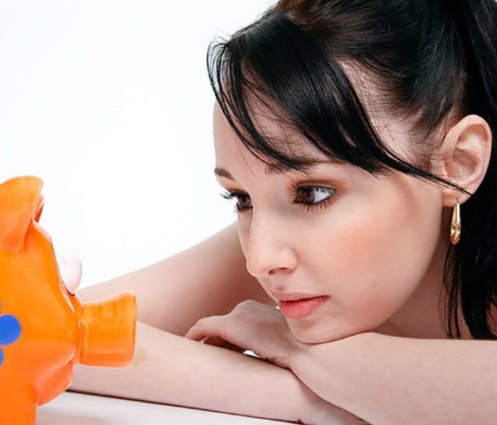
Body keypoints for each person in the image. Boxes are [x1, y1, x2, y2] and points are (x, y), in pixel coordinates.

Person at [68, 0, 497, 423]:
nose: (260, 260)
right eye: (242, 199)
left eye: (311, 194)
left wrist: (305, 354)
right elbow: (34, 331)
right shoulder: (279, 246)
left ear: (458, 164)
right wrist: (292, 394)